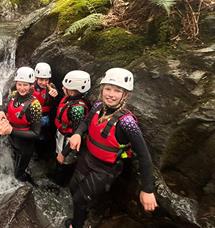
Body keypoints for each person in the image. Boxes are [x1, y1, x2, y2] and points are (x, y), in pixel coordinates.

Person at [62, 68, 158, 228]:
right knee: (73, 188)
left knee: (80, 199)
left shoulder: (127, 123)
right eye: (108, 88)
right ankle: (83, 212)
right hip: (87, 158)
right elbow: (86, 122)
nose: (111, 94)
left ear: (125, 94)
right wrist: (78, 133)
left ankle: (76, 225)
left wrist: (147, 189)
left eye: (117, 91)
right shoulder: (98, 106)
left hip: (105, 169)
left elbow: (144, 155)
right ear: (102, 89)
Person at [3, 66, 42, 183]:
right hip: (13, 139)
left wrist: (11, 131)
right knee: (15, 158)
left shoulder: (35, 106)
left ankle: (29, 183)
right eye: (19, 84)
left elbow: (36, 133)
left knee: (18, 174)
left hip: (25, 145)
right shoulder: (12, 95)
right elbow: (6, 109)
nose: (22, 88)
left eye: (26, 85)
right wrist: (1, 113)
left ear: (31, 86)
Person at [53, 70, 91, 187]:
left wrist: (63, 153)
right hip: (62, 136)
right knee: (59, 161)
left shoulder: (77, 109)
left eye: (66, 87)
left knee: (63, 164)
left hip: (68, 142)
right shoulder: (69, 100)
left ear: (74, 91)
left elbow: (75, 135)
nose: (63, 88)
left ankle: (59, 185)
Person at [32, 62, 58, 161]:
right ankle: (36, 151)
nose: (44, 82)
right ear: (36, 78)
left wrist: (54, 97)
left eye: (46, 79)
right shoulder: (30, 87)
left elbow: (56, 104)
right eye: (41, 79)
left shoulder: (51, 88)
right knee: (35, 136)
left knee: (43, 137)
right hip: (34, 117)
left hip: (46, 117)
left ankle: (41, 153)